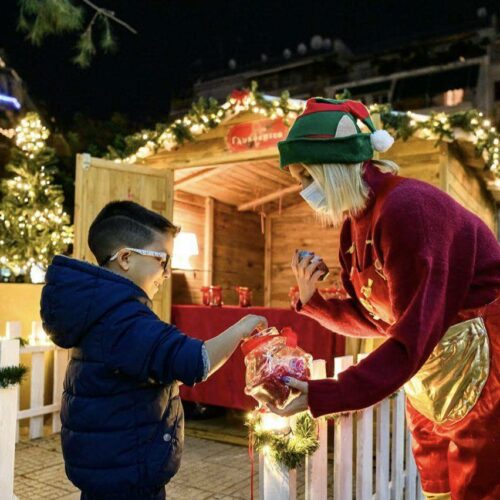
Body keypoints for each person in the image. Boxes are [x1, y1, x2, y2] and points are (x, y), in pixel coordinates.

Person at [271, 98, 500, 500]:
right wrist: (315, 302)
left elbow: (411, 332)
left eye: (307, 174)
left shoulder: (408, 209)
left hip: (482, 356)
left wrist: (327, 392)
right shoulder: (355, 223)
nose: (302, 189)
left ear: (337, 167)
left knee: (479, 481)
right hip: (430, 364)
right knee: (436, 479)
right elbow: (380, 320)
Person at [40, 201, 267, 500]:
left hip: (110, 467)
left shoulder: (102, 309)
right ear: (125, 258)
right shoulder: (123, 320)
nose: (168, 272)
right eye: (163, 260)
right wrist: (241, 328)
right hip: (126, 476)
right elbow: (195, 362)